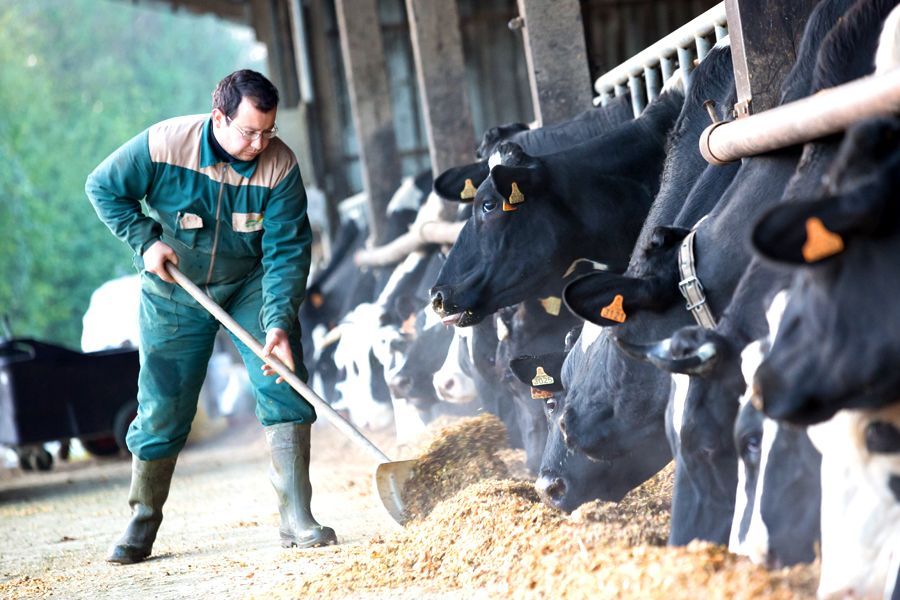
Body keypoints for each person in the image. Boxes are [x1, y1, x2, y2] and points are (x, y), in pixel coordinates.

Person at [86, 69, 336, 565]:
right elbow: (103, 187)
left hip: (250, 284)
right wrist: (145, 241)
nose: (260, 143)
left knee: (283, 381)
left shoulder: (280, 165)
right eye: (249, 131)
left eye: (269, 130)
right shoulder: (164, 144)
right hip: (175, 287)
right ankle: (141, 521)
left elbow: (287, 251)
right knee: (163, 406)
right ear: (219, 117)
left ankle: (296, 516)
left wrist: (278, 323)